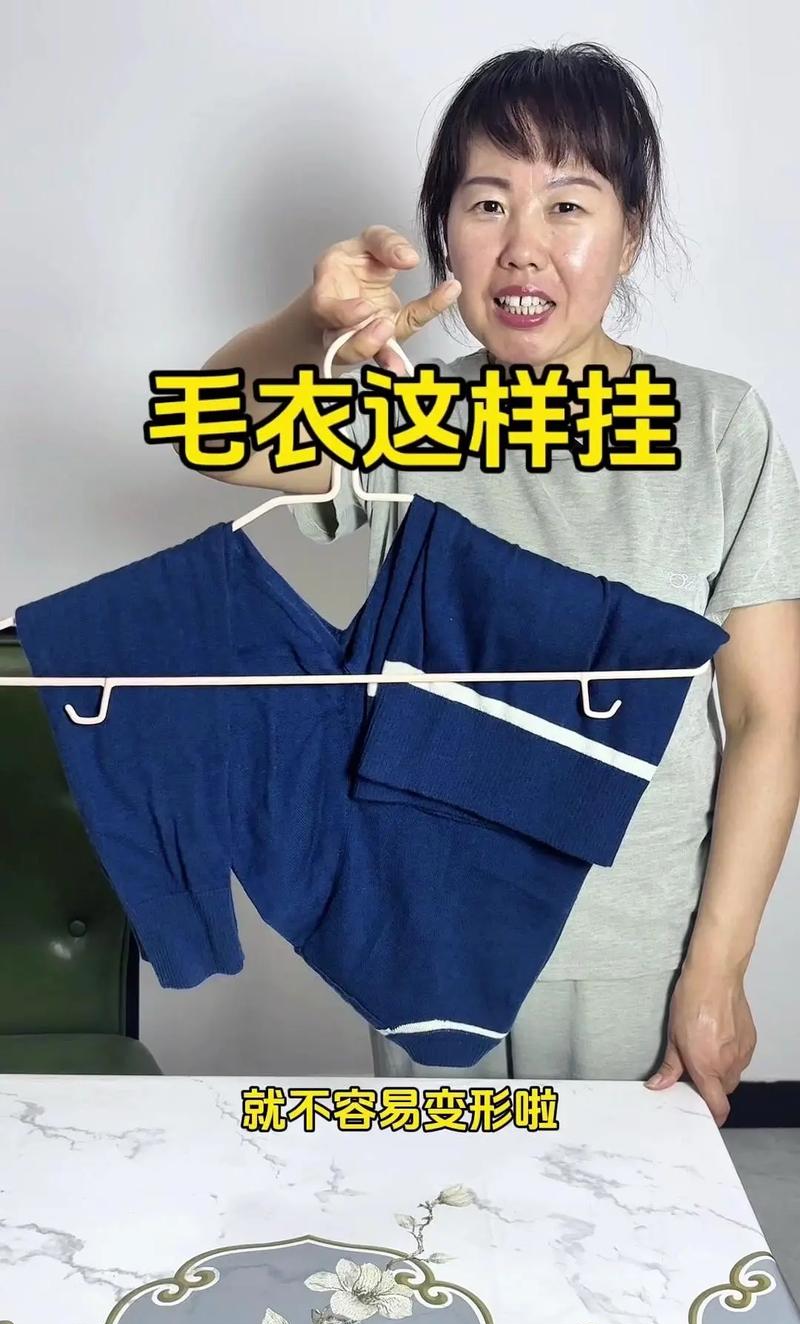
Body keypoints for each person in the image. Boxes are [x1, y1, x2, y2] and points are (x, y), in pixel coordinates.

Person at [190, 42, 800, 1126]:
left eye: (566, 205)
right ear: (444, 236)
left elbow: (765, 716)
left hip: (634, 951)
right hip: (420, 932)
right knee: (431, 1222)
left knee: (612, 1229)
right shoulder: (411, 414)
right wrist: (307, 328)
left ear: (629, 233)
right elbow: (214, 437)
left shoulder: (717, 428)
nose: (522, 246)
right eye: (486, 204)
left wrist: (717, 966)